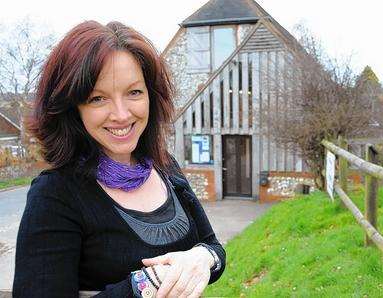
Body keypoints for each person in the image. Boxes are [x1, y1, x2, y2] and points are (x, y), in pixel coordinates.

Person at [12, 20, 226, 298]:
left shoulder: (165, 166)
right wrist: (145, 285)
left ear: (151, 95)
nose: (122, 114)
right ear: (72, 107)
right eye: (97, 98)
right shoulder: (55, 195)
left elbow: (211, 246)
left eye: (134, 92)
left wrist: (202, 259)